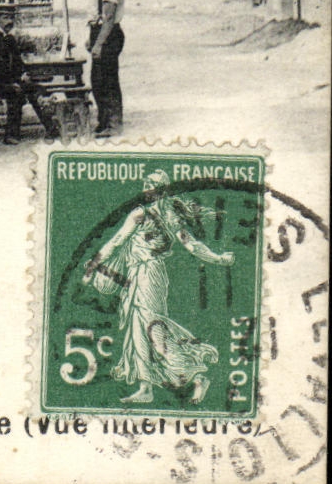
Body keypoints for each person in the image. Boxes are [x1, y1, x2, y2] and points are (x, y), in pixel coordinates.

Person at [84, 170, 233, 404]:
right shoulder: (169, 214)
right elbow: (191, 245)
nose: (146, 187)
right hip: (143, 275)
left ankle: (196, 377)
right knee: (139, 331)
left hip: (147, 275)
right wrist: (219, 258)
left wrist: (94, 263)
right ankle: (146, 388)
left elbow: (117, 241)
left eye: (150, 184)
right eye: (145, 183)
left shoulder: (142, 214)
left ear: (161, 189)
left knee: (154, 330)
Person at [0, 3, 61, 143]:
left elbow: (17, 62)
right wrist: (10, 83)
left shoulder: (10, 39)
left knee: (37, 90)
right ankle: (11, 135)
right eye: (5, 18)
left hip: (11, 81)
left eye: (11, 18)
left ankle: (51, 128)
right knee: (15, 92)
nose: (9, 21)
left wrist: (23, 74)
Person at [83, 0, 125, 137]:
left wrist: (99, 43)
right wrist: (91, 38)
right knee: (98, 81)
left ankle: (113, 124)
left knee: (107, 80)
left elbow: (108, 18)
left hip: (108, 35)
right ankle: (104, 121)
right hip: (99, 33)